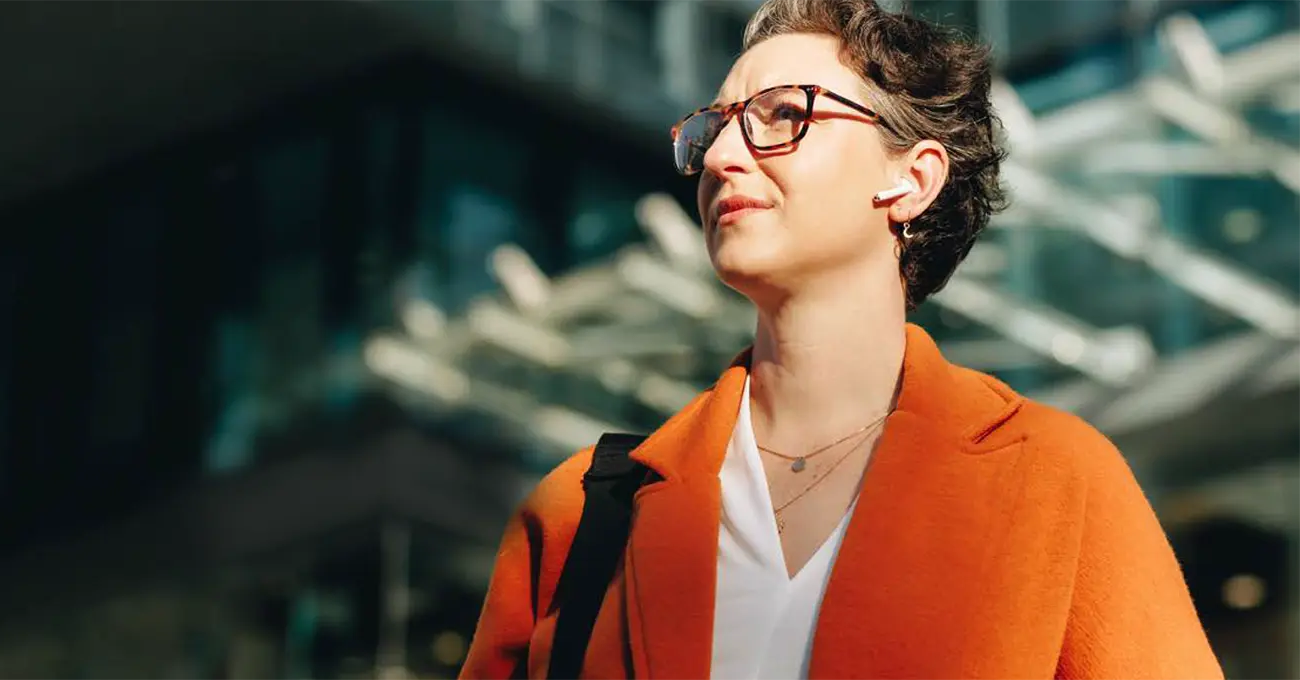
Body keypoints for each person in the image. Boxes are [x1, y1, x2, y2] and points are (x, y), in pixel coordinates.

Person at [458, 0, 1223, 678]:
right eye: (714, 128)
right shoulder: (583, 512)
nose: (722, 158)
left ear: (912, 178)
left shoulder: (1057, 482)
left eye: (784, 114)